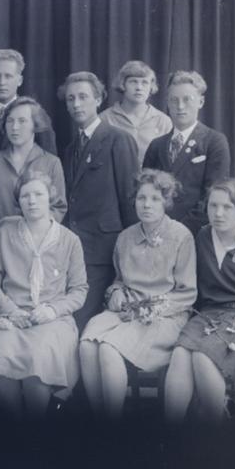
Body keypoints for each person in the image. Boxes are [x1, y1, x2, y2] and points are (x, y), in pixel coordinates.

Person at [0, 169, 88, 419]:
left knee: (39, 358)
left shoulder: (70, 240)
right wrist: (11, 310)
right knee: (0, 353)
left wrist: (52, 310)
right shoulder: (5, 234)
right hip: (10, 314)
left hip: (52, 319)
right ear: (19, 201)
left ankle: (35, 426)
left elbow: (79, 290)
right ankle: (16, 426)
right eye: (25, 196)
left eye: (38, 194)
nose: (32, 201)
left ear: (50, 198)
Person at [80, 170, 196, 420]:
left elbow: (187, 294)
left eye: (155, 199)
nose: (147, 205)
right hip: (127, 312)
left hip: (164, 316)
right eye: (141, 198)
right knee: (87, 343)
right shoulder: (126, 237)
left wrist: (151, 309)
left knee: (109, 348)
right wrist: (116, 292)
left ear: (166, 201)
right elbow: (119, 280)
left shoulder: (181, 236)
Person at [164, 180, 235, 423]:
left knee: (203, 357)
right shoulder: (203, 237)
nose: (218, 213)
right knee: (180, 354)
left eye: (227, 207)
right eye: (213, 206)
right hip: (208, 315)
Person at [59, 71, 140, 332]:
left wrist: (128, 257)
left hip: (105, 252)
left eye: (83, 97)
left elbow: (130, 200)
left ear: (98, 99)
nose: (76, 104)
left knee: (83, 323)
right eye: (71, 99)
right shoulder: (70, 149)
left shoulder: (119, 139)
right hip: (73, 252)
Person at [0, 96, 67, 253]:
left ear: (35, 125)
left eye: (22, 121)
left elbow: (58, 207)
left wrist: (33, 234)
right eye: (10, 121)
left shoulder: (52, 163)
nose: (14, 127)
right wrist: (0, 234)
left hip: (37, 249)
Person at [142, 70, 231, 236]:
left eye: (187, 99)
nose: (180, 106)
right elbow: (145, 191)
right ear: (167, 103)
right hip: (156, 232)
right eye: (174, 100)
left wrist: (179, 230)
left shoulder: (214, 141)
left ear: (201, 102)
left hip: (196, 233)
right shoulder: (157, 145)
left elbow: (213, 195)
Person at [0, 49, 58, 155]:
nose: (2, 82)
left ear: (20, 80)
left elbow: (49, 158)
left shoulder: (37, 115)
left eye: (8, 76)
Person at [100, 60, 172, 165]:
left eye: (144, 82)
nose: (139, 88)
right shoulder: (105, 119)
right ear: (123, 84)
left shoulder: (163, 121)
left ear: (151, 87)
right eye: (133, 82)